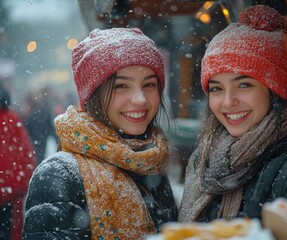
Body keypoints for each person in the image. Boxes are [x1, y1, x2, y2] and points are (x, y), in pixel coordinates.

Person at [179, 5, 287, 223]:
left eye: (244, 85)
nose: (229, 102)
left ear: (274, 91)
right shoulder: (204, 161)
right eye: (217, 89)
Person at [23, 28, 178, 239]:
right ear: (93, 95)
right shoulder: (57, 176)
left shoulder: (150, 164)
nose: (140, 99)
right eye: (121, 86)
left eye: (149, 84)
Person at [0, 85, 36, 240]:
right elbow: (26, 153)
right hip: (10, 187)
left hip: (8, 185)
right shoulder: (12, 119)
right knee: (8, 229)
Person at [24, 86, 58, 164]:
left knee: (37, 160)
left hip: (35, 141)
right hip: (40, 140)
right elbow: (51, 127)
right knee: (39, 159)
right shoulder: (43, 109)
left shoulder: (34, 112)